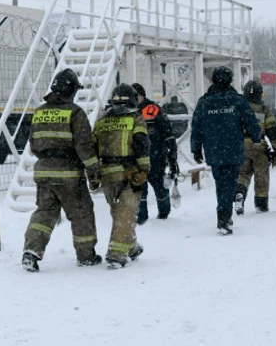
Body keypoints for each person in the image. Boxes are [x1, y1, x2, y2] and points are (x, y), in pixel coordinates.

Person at [22, 68, 103, 272]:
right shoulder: (75, 112)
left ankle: (31, 252)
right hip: (69, 174)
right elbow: (84, 147)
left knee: (44, 214)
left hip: (43, 172)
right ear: (71, 90)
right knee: (82, 213)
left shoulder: (39, 112)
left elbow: (33, 143)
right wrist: (94, 172)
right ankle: (86, 256)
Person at [190, 66, 261, 234]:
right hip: (233, 148)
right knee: (230, 182)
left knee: (220, 183)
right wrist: (256, 137)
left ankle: (224, 214)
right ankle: (224, 216)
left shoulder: (205, 101)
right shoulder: (237, 100)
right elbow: (250, 121)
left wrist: (196, 149)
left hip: (213, 150)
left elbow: (196, 126)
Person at [93, 83, 150, 268]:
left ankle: (132, 247)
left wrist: (93, 175)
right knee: (126, 213)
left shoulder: (101, 121)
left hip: (107, 173)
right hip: (128, 171)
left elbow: (92, 148)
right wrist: (144, 169)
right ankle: (116, 255)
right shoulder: (135, 119)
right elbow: (142, 144)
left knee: (120, 212)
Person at [131, 83, 179, 224]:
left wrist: (171, 151)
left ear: (142, 96)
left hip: (156, 155)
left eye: (136, 96)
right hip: (138, 157)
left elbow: (166, 131)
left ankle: (164, 212)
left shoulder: (152, 109)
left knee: (159, 185)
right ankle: (141, 216)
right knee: (140, 188)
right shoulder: (129, 111)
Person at [234, 80, 276, 215]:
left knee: (242, 174)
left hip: (240, 146)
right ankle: (261, 204)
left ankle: (239, 193)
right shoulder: (264, 110)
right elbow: (272, 130)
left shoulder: (237, 108)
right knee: (261, 176)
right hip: (259, 147)